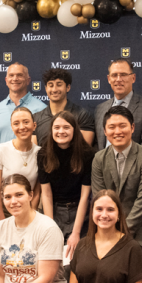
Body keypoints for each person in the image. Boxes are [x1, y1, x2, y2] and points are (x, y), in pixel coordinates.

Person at [91, 106, 142, 247]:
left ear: (132, 127)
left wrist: (121, 235)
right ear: (104, 131)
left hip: (141, 233)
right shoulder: (99, 158)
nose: (117, 131)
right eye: (112, 127)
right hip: (107, 228)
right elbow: (100, 198)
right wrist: (111, 232)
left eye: (123, 126)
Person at [38, 111, 94, 259]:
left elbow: (85, 196)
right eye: (56, 127)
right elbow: (46, 193)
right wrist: (50, 227)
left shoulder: (87, 154)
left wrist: (76, 233)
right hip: (54, 212)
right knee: (53, 258)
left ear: (74, 130)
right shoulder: (43, 153)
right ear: (51, 130)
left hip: (80, 213)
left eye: (66, 127)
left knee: (78, 260)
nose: (61, 131)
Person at [0, 106, 41, 235]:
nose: (22, 127)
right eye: (16, 123)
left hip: (24, 206)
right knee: (3, 247)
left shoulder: (40, 153)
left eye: (26, 122)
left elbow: (37, 190)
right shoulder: (0, 150)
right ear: (11, 127)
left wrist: (31, 215)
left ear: (34, 125)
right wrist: (3, 224)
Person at [93, 59, 142, 150]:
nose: (118, 79)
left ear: (133, 78)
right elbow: (98, 145)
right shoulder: (100, 109)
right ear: (109, 79)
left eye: (123, 75)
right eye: (114, 75)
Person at [0, 63, 47, 152]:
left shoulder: (42, 109)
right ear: (6, 80)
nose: (15, 79)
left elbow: (46, 143)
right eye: (11, 75)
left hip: (32, 164)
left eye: (19, 75)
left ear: (28, 80)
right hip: (3, 165)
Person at [33, 68, 95, 147]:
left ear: (68, 87)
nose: (54, 89)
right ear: (46, 88)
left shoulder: (82, 115)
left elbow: (84, 151)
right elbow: (35, 152)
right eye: (51, 85)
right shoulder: (36, 118)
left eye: (59, 85)